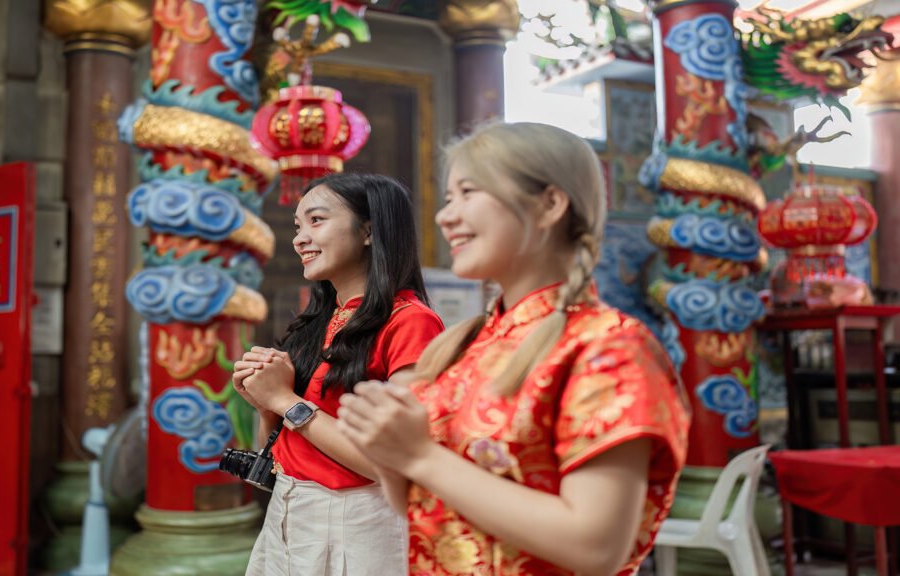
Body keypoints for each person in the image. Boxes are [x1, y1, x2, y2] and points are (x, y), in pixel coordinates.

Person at [336, 122, 691, 576]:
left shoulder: (608, 346)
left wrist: (419, 455)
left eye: (468, 192)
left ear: (549, 204)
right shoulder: (462, 344)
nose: (446, 216)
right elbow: (426, 507)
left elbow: (596, 547)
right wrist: (388, 449)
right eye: (448, 198)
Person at [232, 173, 445, 576]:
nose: (299, 239)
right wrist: (264, 404)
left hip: (358, 519)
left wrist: (285, 400)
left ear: (368, 230)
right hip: (289, 510)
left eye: (316, 220)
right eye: (297, 226)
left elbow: (396, 462)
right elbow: (276, 452)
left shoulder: (411, 322)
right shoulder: (320, 320)